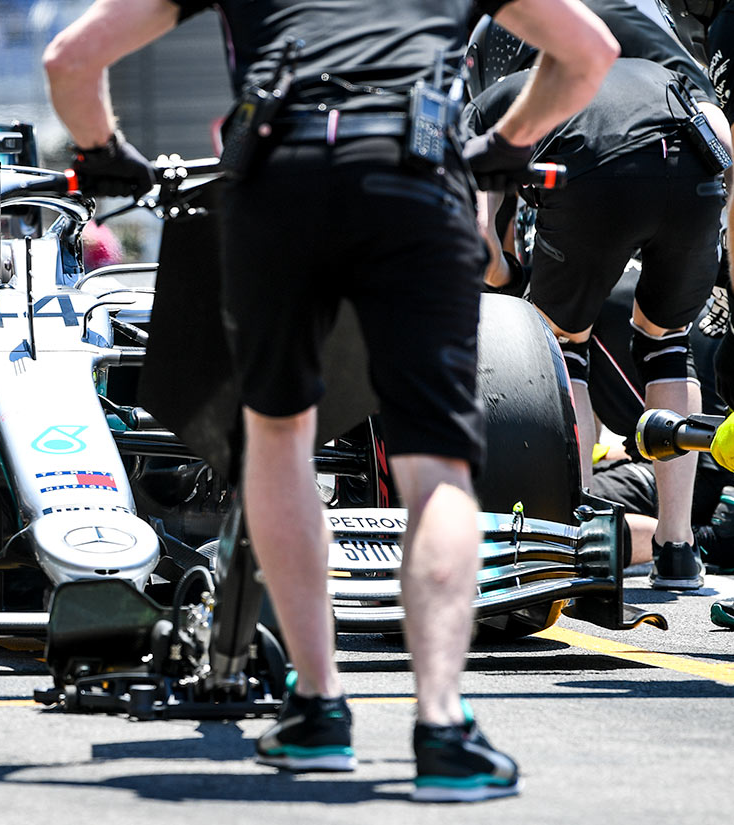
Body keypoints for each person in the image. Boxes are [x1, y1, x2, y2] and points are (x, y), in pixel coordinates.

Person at [45, 0, 616, 802]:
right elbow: (587, 51)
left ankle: (317, 709)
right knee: (436, 464)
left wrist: (107, 156)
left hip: (279, 175)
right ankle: (444, 729)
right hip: (415, 173)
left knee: (279, 436)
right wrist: (500, 147)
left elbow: (70, 59)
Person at [468, 40, 730, 592]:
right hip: (694, 171)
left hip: (597, 170)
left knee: (563, 346)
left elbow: (479, 243)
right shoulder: (655, 72)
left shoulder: (498, 102)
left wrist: (512, 279)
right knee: (668, 343)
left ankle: (576, 543)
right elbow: (723, 140)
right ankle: (678, 548)